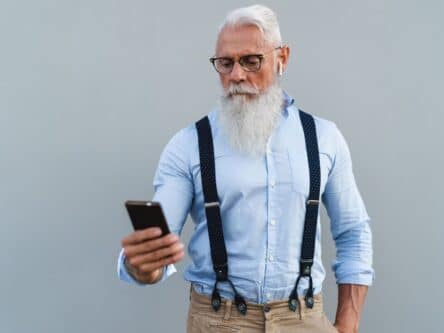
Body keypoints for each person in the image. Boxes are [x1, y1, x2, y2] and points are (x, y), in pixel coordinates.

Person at [117, 4, 374, 333]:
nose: (236, 75)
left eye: (251, 61)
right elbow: (157, 238)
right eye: (225, 63)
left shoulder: (323, 138)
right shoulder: (188, 145)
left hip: (304, 320)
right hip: (217, 321)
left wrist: (348, 324)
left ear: (282, 58)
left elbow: (353, 233)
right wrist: (145, 265)